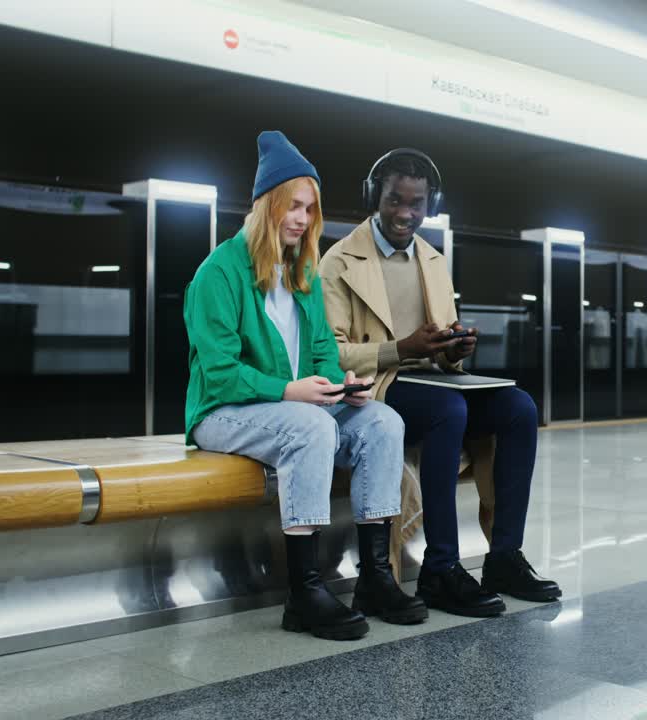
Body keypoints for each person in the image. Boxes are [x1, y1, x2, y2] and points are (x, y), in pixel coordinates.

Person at [184, 132, 425, 640]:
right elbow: (221, 372)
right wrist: (291, 391)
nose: (301, 219)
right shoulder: (218, 273)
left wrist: (346, 386)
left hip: (297, 409)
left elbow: (320, 354)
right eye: (292, 206)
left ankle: (376, 577)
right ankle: (303, 592)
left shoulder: (304, 273)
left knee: (383, 420)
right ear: (266, 204)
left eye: (309, 209)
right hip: (222, 411)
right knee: (312, 426)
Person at [318, 148, 561, 618]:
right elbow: (330, 354)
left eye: (417, 203)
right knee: (448, 412)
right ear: (374, 196)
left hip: (432, 379)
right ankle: (440, 568)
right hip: (379, 383)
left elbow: (440, 346)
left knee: (519, 408)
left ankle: (504, 556)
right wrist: (402, 348)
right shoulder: (338, 261)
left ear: (431, 203)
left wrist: (454, 351)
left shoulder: (432, 258)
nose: (406, 214)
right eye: (394, 200)